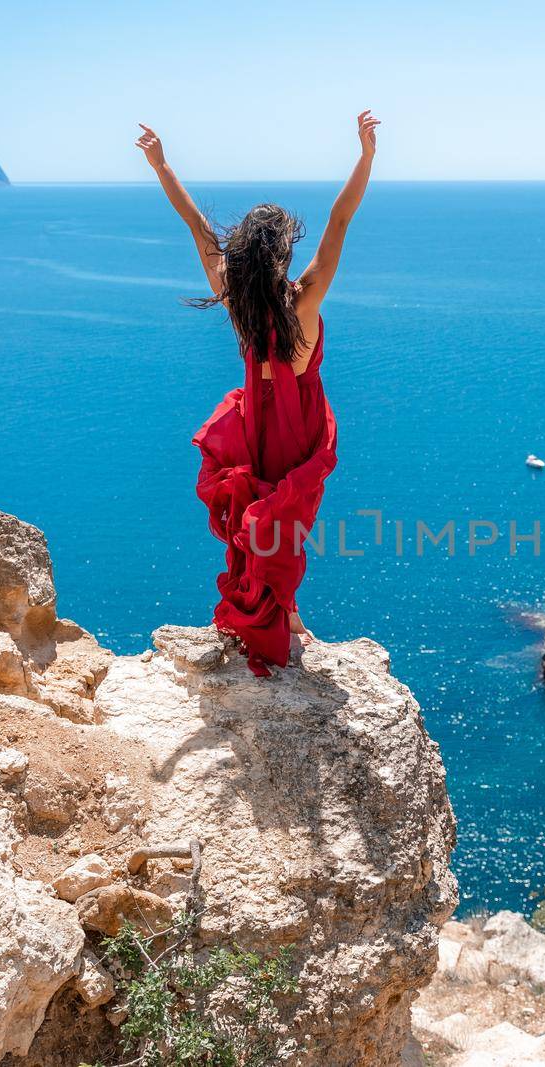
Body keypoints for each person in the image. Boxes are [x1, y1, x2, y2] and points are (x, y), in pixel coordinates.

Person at [135, 110, 380, 675]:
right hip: (300, 427)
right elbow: (340, 222)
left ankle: (277, 610)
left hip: (254, 428)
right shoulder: (304, 302)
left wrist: (162, 165)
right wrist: (366, 158)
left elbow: (198, 228)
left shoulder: (236, 301)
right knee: (285, 520)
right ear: (284, 254)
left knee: (259, 517)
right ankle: (286, 613)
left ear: (245, 254)